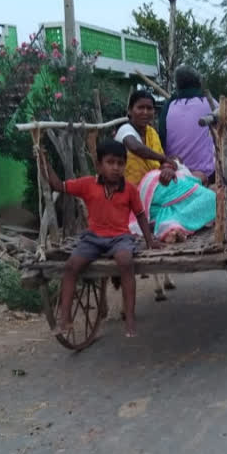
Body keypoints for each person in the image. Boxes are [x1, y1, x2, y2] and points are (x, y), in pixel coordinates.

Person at [39, 140, 160, 338]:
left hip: (120, 237)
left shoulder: (129, 189)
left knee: (125, 261)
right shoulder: (87, 184)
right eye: (110, 162)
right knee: (71, 267)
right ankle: (65, 319)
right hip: (93, 238)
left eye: (120, 163)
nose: (115, 167)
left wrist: (150, 241)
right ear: (99, 165)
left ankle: (130, 316)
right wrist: (43, 160)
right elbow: (58, 185)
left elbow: (140, 215)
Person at [129, 160, 217, 243]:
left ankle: (170, 226)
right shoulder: (186, 178)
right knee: (212, 198)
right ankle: (170, 225)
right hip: (156, 182)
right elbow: (169, 163)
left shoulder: (191, 187)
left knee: (208, 199)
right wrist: (169, 165)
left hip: (153, 198)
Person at [159, 66, 216, 185]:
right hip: (206, 173)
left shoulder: (169, 106)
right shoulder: (209, 103)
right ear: (198, 83)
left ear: (178, 85)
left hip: (174, 170)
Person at [114, 90, 177, 187]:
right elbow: (135, 147)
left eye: (149, 108)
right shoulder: (125, 129)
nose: (145, 112)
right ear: (130, 110)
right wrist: (164, 158)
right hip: (129, 189)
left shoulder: (152, 133)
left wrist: (167, 167)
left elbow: (160, 163)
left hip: (153, 185)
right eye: (140, 108)